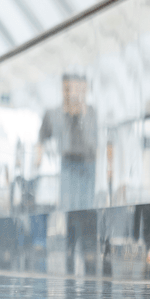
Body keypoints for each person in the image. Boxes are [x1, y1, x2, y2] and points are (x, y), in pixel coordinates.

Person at [35, 74, 98, 212]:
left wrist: (82, 110)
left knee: (86, 206)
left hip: (89, 164)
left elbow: (96, 141)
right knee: (69, 207)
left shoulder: (92, 112)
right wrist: (37, 161)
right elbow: (41, 138)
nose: (72, 93)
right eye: (68, 88)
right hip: (67, 164)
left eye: (77, 88)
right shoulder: (55, 113)